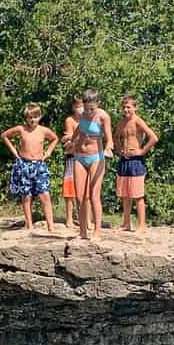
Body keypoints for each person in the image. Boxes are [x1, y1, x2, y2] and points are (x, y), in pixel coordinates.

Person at [2, 103, 59, 232]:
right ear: (26, 118)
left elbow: (55, 138)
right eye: (30, 117)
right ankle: (29, 224)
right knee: (26, 195)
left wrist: (48, 152)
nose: (32, 120)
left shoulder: (43, 130)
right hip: (24, 164)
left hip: (39, 165)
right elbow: (4, 135)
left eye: (35, 117)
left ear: (40, 116)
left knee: (44, 194)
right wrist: (14, 151)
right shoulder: (21, 129)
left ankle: (51, 226)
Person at [69, 89, 113, 242]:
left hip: (96, 157)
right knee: (80, 197)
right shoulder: (82, 114)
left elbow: (110, 139)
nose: (88, 112)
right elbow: (79, 130)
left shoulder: (103, 117)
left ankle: (97, 231)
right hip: (80, 156)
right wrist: (71, 142)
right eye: (86, 108)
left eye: (91, 109)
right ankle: (82, 231)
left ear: (98, 104)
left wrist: (108, 149)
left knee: (94, 195)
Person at [113, 94, 159, 234]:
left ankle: (142, 225)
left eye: (128, 107)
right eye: (124, 107)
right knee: (125, 194)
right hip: (124, 160)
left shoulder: (138, 121)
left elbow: (153, 138)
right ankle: (126, 223)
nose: (126, 110)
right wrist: (119, 148)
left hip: (136, 162)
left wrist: (142, 151)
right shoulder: (121, 123)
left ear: (135, 108)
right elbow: (115, 137)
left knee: (137, 195)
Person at [61, 95, 84, 230]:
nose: (79, 109)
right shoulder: (70, 120)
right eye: (77, 106)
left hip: (84, 157)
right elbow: (69, 137)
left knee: (85, 191)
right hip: (72, 156)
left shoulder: (90, 118)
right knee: (69, 189)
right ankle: (69, 219)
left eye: (81, 106)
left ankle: (84, 219)